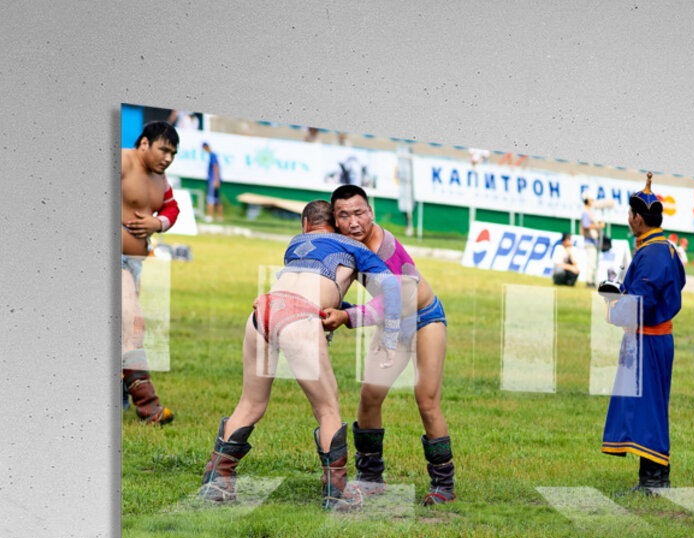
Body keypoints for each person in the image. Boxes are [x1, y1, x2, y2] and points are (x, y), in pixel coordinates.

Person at [198, 200, 402, 510]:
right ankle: (337, 493)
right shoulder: (351, 246)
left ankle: (216, 481)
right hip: (299, 318)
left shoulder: (295, 244)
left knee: (250, 403)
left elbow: (310, 291)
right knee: (328, 409)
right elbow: (393, 288)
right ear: (336, 225)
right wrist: (387, 336)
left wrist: (341, 312)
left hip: (262, 311)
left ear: (305, 226)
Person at [320, 184, 456, 506]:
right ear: (335, 221)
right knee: (370, 396)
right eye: (344, 215)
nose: (354, 222)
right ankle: (370, 478)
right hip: (390, 321)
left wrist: (347, 316)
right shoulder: (346, 246)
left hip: (423, 319)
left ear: (371, 213)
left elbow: (401, 302)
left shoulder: (383, 249)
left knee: (426, 400)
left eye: (359, 213)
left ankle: (444, 485)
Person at [601, 173, 686, 494]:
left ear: (638, 218)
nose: (628, 220)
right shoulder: (665, 247)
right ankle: (655, 476)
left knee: (648, 405)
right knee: (650, 405)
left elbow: (643, 302)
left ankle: (652, 481)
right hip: (655, 337)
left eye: (629, 215)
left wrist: (613, 304)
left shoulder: (651, 253)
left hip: (648, 337)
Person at [121, 121, 181, 424]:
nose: (168, 158)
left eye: (173, 153)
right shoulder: (121, 160)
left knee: (122, 331)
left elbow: (172, 210)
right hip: (115, 260)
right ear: (144, 143)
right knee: (134, 325)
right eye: (163, 149)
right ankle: (148, 408)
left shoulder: (162, 179)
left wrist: (156, 224)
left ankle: (121, 395)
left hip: (135, 263)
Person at [580, 193, 606, 286]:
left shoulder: (589, 211)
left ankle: (592, 281)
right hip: (589, 241)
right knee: (591, 263)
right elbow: (586, 225)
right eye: (591, 200)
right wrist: (598, 226)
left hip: (593, 241)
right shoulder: (585, 212)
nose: (592, 202)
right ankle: (589, 282)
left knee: (594, 263)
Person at [203, 142, 222, 222]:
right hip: (214, 180)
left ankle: (209, 216)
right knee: (217, 199)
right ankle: (219, 217)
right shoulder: (212, 155)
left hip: (212, 180)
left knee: (210, 198)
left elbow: (215, 167)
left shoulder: (212, 155)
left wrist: (216, 180)